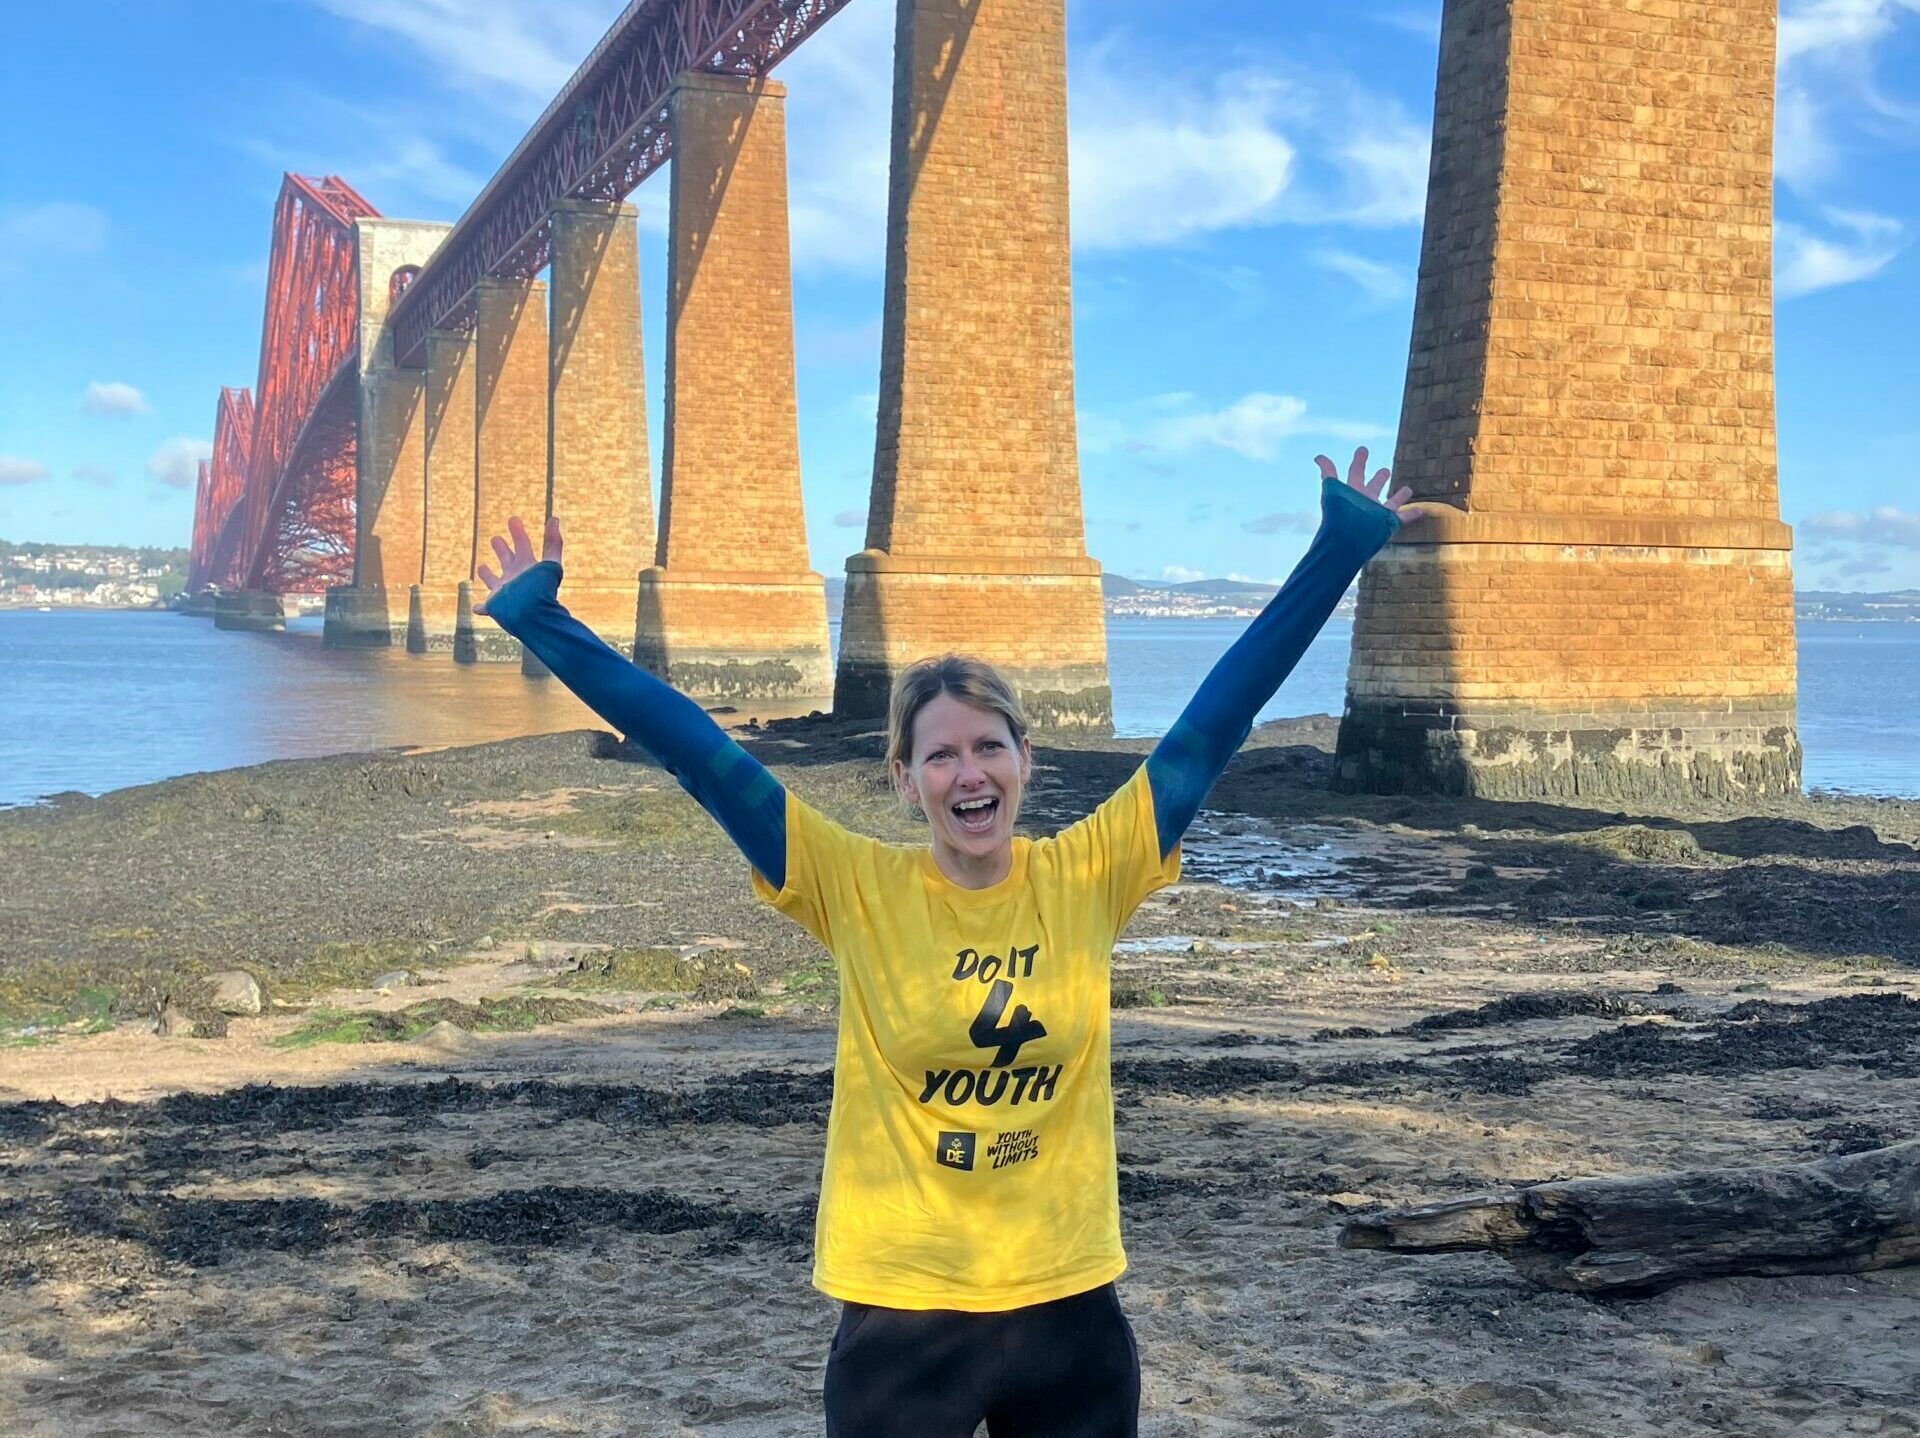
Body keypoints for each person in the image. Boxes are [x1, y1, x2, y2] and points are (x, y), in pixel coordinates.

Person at [477, 447, 1423, 1437]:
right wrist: (545, 622)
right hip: (902, 1316)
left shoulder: (1089, 872)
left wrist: (1337, 551)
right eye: (940, 753)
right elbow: (699, 755)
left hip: (1067, 1310)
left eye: (987, 745)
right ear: (904, 777)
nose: (967, 771)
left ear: (1024, 760)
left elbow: (1213, 725)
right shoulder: (854, 885)